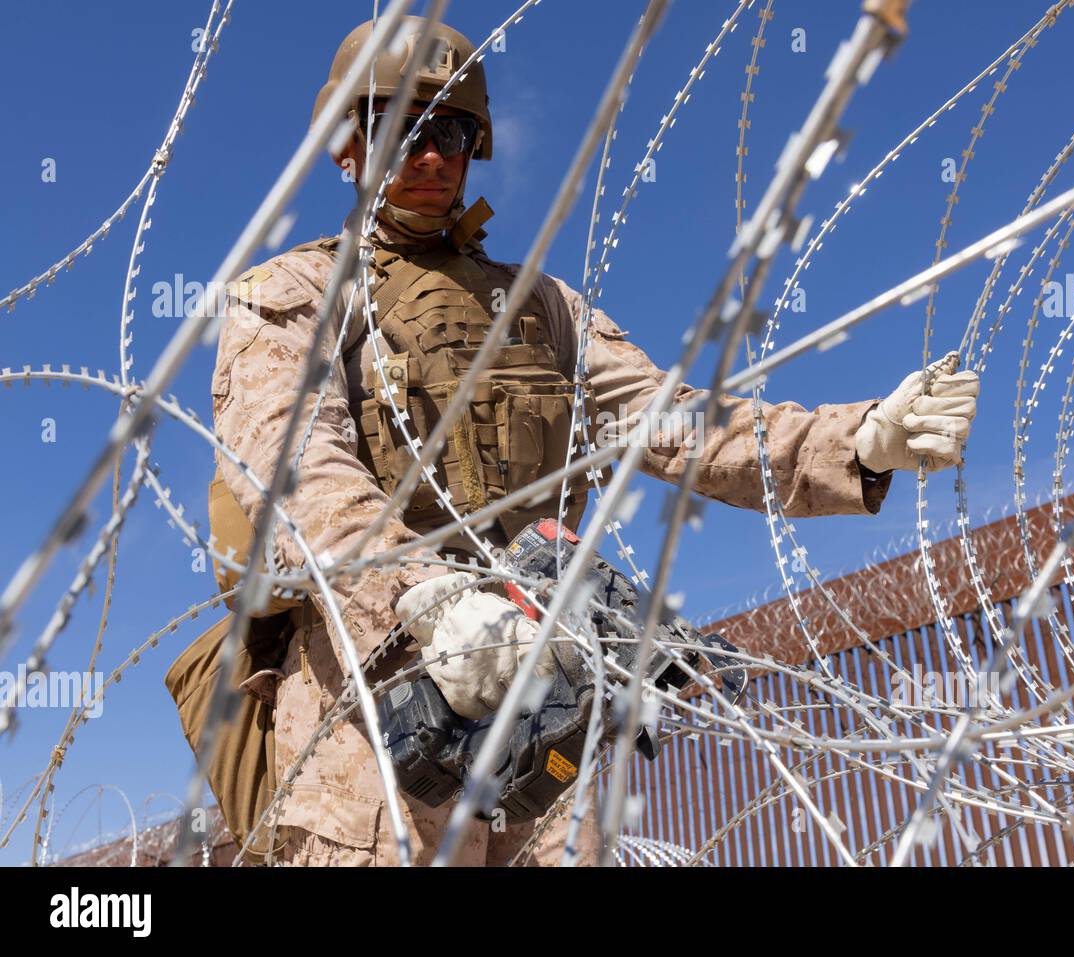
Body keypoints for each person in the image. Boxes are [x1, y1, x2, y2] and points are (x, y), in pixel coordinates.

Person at [209, 18, 979, 866]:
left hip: (543, 702)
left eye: (452, 131)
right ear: (346, 145)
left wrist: (858, 440)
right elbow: (290, 467)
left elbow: (675, 424)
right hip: (374, 710)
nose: (429, 155)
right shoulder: (290, 293)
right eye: (401, 128)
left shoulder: (542, 308)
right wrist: (425, 597)